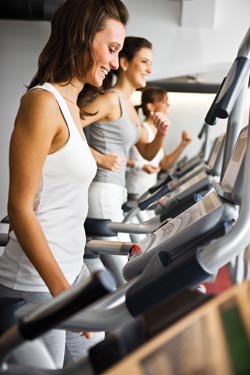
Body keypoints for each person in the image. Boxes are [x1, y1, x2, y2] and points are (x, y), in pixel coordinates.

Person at [0, 0, 128, 368]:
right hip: (37, 284)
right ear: (82, 37)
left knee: (96, 361)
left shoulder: (73, 108)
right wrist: (64, 294)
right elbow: (20, 209)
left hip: (71, 267)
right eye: (112, 48)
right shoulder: (41, 103)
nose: (116, 63)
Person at [82, 37, 169, 285]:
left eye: (150, 63)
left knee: (124, 272)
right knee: (126, 277)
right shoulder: (111, 99)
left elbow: (147, 151)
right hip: (101, 192)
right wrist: (98, 157)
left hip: (114, 194)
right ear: (124, 62)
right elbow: (65, 127)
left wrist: (161, 134)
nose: (150, 69)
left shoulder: (129, 108)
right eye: (144, 61)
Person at [126, 86, 192, 200]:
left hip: (149, 193)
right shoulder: (141, 130)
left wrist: (183, 144)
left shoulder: (158, 132)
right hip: (135, 193)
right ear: (150, 106)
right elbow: (119, 158)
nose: (168, 105)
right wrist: (140, 166)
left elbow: (165, 164)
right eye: (163, 101)